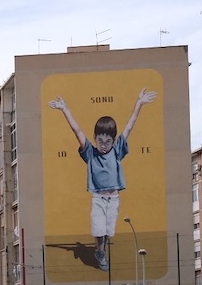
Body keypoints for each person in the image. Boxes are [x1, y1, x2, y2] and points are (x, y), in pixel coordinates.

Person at [48, 88, 157, 271]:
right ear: (95, 139)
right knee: (99, 230)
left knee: (108, 231)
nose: (104, 145)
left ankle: (100, 251)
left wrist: (139, 103)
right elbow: (77, 130)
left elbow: (130, 126)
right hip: (98, 198)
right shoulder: (90, 153)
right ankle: (99, 252)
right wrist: (64, 109)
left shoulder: (117, 150)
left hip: (113, 198)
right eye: (100, 141)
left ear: (114, 141)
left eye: (108, 142)